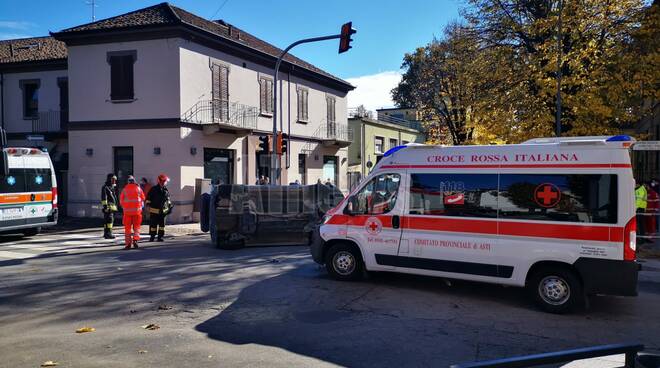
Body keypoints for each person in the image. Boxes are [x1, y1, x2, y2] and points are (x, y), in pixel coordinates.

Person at [119, 175, 145, 249]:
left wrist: (125, 207)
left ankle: (128, 244)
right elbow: (143, 198)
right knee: (136, 228)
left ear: (128, 182)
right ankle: (135, 240)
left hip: (127, 213)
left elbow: (121, 201)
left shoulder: (124, 189)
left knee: (127, 229)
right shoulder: (139, 189)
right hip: (137, 212)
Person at [146, 173, 173, 242]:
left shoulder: (165, 190)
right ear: (161, 181)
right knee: (153, 225)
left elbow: (168, 200)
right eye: (165, 181)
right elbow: (148, 198)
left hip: (163, 211)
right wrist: (148, 205)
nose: (166, 183)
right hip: (154, 210)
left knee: (162, 226)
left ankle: (160, 237)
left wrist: (170, 207)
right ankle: (152, 237)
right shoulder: (154, 189)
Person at [101, 173, 118, 239]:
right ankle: (108, 233)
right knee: (109, 221)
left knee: (108, 221)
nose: (114, 181)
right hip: (108, 208)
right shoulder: (105, 187)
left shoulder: (111, 187)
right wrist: (105, 207)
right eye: (113, 179)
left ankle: (106, 233)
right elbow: (104, 198)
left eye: (115, 179)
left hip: (111, 208)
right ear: (109, 179)